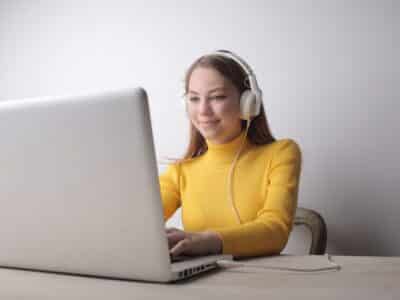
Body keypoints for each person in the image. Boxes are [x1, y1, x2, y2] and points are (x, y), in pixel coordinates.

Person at [159, 50, 302, 259]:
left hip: (262, 282)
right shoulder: (180, 171)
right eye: (194, 98)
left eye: (217, 97)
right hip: (196, 285)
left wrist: (210, 241)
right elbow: (138, 222)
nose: (203, 111)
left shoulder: (281, 153)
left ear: (248, 103)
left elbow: (276, 230)